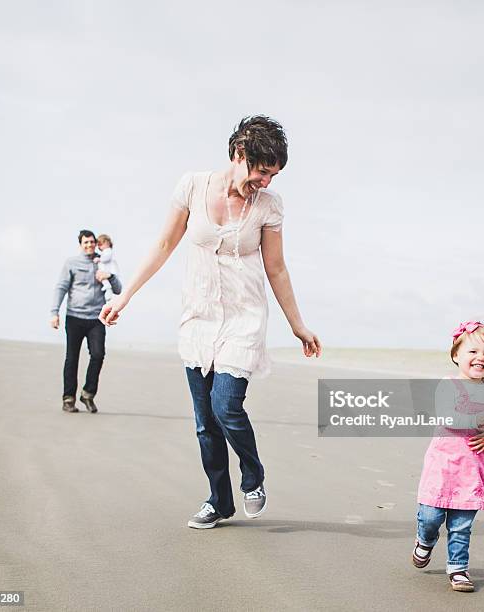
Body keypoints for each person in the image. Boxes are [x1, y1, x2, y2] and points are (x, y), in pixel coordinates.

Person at [99, 115, 322, 528]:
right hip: (198, 316)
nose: (267, 182)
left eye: (274, 174)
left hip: (244, 316)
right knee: (205, 423)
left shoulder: (269, 207)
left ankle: (252, 476)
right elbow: (164, 244)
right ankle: (219, 501)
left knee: (226, 406)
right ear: (240, 155)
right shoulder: (193, 186)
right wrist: (124, 296)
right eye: (262, 171)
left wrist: (297, 324)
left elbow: (277, 268)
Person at [411, 321, 484, 592]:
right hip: (441, 468)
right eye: (473, 352)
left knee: (461, 525)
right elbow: (447, 416)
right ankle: (425, 540)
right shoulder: (449, 385)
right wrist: (475, 418)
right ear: (456, 355)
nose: (480, 358)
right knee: (431, 516)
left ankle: (458, 569)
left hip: (471, 472)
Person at [51, 229, 122, 413]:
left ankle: (88, 394)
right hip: (74, 317)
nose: (90, 245)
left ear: (96, 243)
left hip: (97, 318)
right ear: (80, 245)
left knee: (98, 355)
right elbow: (61, 287)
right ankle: (68, 399)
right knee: (71, 358)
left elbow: (119, 288)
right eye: (86, 243)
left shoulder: (104, 262)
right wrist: (54, 312)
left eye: (92, 242)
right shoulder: (72, 263)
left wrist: (110, 277)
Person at [95, 234, 120, 303]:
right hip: (105, 272)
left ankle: (108, 290)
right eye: (99, 245)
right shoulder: (104, 252)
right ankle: (107, 288)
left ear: (107, 243)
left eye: (101, 244)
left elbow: (106, 258)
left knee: (106, 282)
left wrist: (99, 259)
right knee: (103, 280)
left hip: (109, 271)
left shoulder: (108, 251)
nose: (100, 247)